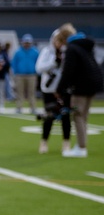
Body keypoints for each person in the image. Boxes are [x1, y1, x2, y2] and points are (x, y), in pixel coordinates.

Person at [58, 29, 103, 158]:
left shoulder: (72, 48)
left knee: (78, 115)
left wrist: (60, 89)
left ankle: (81, 147)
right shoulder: (86, 47)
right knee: (84, 116)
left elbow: (68, 71)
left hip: (81, 87)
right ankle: (81, 145)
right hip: (93, 84)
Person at [35, 24, 75, 154]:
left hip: (63, 89)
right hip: (49, 89)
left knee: (65, 116)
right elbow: (39, 68)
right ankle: (44, 142)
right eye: (57, 40)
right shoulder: (47, 52)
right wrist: (53, 63)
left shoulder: (67, 53)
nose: (58, 43)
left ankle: (66, 143)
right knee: (49, 116)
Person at [11, 34, 40, 114]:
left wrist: (36, 71)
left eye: (28, 43)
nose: (27, 44)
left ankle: (33, 107)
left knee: (32, 92)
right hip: (20, 75)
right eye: (25, 42)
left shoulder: (35, 52)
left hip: (32, 75)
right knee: (20, 92)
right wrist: (15, 72)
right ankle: (19, 107)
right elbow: (14, 63)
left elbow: (38, 62)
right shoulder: (18, 52)